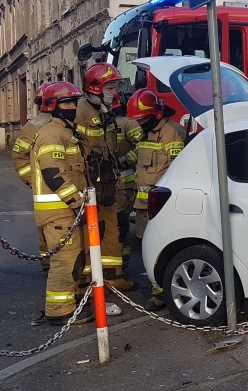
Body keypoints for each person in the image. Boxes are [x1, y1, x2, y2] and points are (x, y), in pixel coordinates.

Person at [29, 82, 93, 325]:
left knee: (74, 258)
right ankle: (59, 312)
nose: (72, 106)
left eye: (74, 102)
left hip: (66, 210)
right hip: (59, 212)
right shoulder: (52, 134)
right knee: (65, 261)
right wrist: (76, 202)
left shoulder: (65, 130)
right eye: (66, 103)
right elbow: (54, 174)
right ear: (52, 106)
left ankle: (68, 303)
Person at [75, 62, 136, 292]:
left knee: (111, 228)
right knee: (91, 231)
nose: (114, 92)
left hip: (107, 182)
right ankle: (87, 279)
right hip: (89, 183)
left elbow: (109, 147)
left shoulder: (105, 111)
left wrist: (115, 173)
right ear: (95, 88)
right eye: (110, 87)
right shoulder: (82, 111)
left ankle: (112, 276)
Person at [127, 89, 185, 310]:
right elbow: (140, 161)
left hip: (164, 205)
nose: (139, 123)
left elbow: (177, 169)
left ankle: (163, 293)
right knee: (147, 248)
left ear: (156, 114)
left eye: (142, 118)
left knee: (166, 248)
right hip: (143, 206)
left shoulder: (173, 133)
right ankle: (156, 289)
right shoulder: (144, 131)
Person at [12, 82, 54, 272]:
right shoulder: (32, 128)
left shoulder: (70, 123)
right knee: (45, 225)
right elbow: (19, 156)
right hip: (44, 189)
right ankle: (48, 262)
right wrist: (33, 180)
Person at [112, 92, 142, 265]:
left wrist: (124, 160)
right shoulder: (101, 123)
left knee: (121, 222)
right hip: (108, 182)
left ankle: (122, 261)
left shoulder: (129, 124)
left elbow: (142, 145)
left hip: (125, 180)